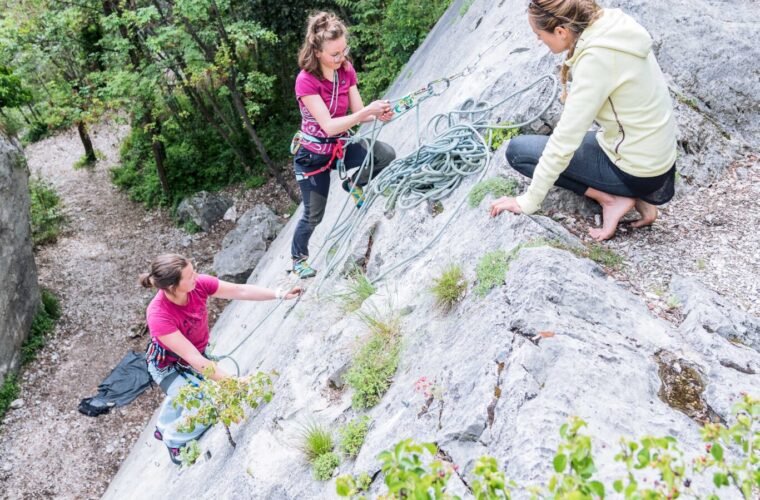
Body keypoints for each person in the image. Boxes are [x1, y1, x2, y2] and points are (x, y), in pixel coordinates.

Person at [490, 0, 677, 241]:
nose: (539, 41)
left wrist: (528, 201)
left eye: (539, 35)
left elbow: (564, 141)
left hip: (638, 169)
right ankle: (640, 198)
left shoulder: (595, 61)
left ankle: (613, 199)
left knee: (519, 152)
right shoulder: (611, 23)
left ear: (561, 31)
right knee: (553, 149)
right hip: (657, 158)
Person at [140, 253, 301, 464]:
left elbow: (240, 290)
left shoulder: (198, 284)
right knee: (206, 407)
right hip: (167, 367)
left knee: (188, 389)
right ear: (172, 287)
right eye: (189, 276)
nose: (196, 276)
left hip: (194, 355)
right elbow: (193, 358)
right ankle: (174, 439)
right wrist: (232, 383)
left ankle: (162, 427)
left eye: (193, 271)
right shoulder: (158, 315)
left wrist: (280, 294)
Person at [291, 11, 397, 278]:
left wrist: (377, 112)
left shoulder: (346, 70)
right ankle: (298, 259)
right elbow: (328, 126)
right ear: (317, 52)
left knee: (385, 155)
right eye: (334, 54)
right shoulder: (306, 81)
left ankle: (355, 183)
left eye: (343, 51)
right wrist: (366, 113)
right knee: (314, 215)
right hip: (312, 156)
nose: (341, 58)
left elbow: (359, 111)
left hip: (341, 146)